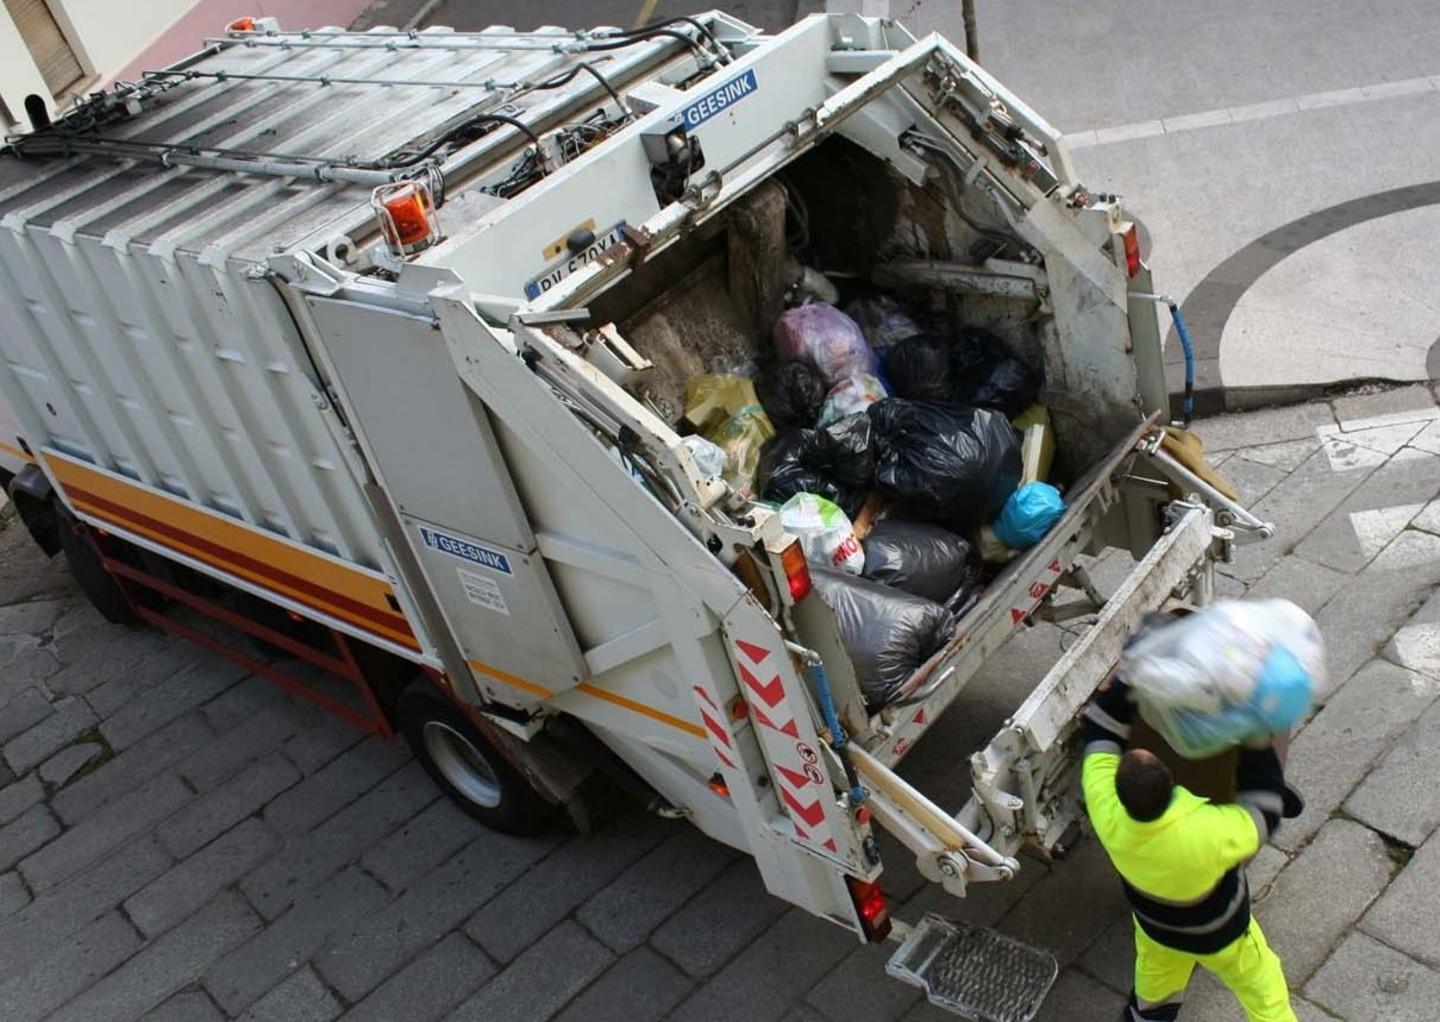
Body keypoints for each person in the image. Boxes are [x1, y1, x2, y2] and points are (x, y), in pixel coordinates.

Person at [1081, 677, 1301, 1022]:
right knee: (1264, 990)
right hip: (1222, 935)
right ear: (1171, 780)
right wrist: (1257, 735)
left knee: (1154, 997)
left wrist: (1132, 676)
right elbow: (1263, 814)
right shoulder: (1206, 832)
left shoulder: (1106, 811)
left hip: (1156, 928)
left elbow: (1099, 731)